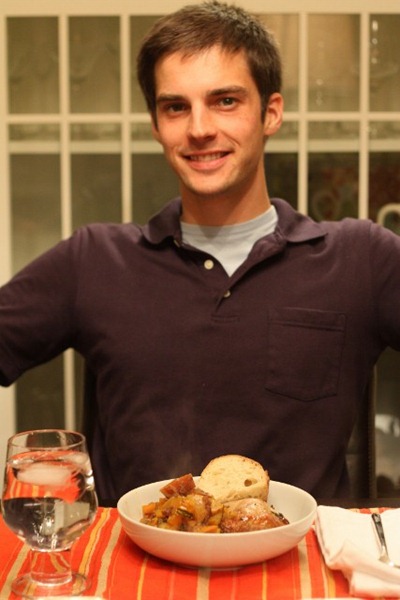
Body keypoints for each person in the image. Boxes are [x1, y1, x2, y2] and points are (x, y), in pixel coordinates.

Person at [1, 1, 400, 502]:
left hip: (304, 552)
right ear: (155, 124)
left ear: (271, 112)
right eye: (176, 107)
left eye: (225, 101)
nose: (199, 128)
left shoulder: (360, 259)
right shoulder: (94, 260)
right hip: (136, 551)